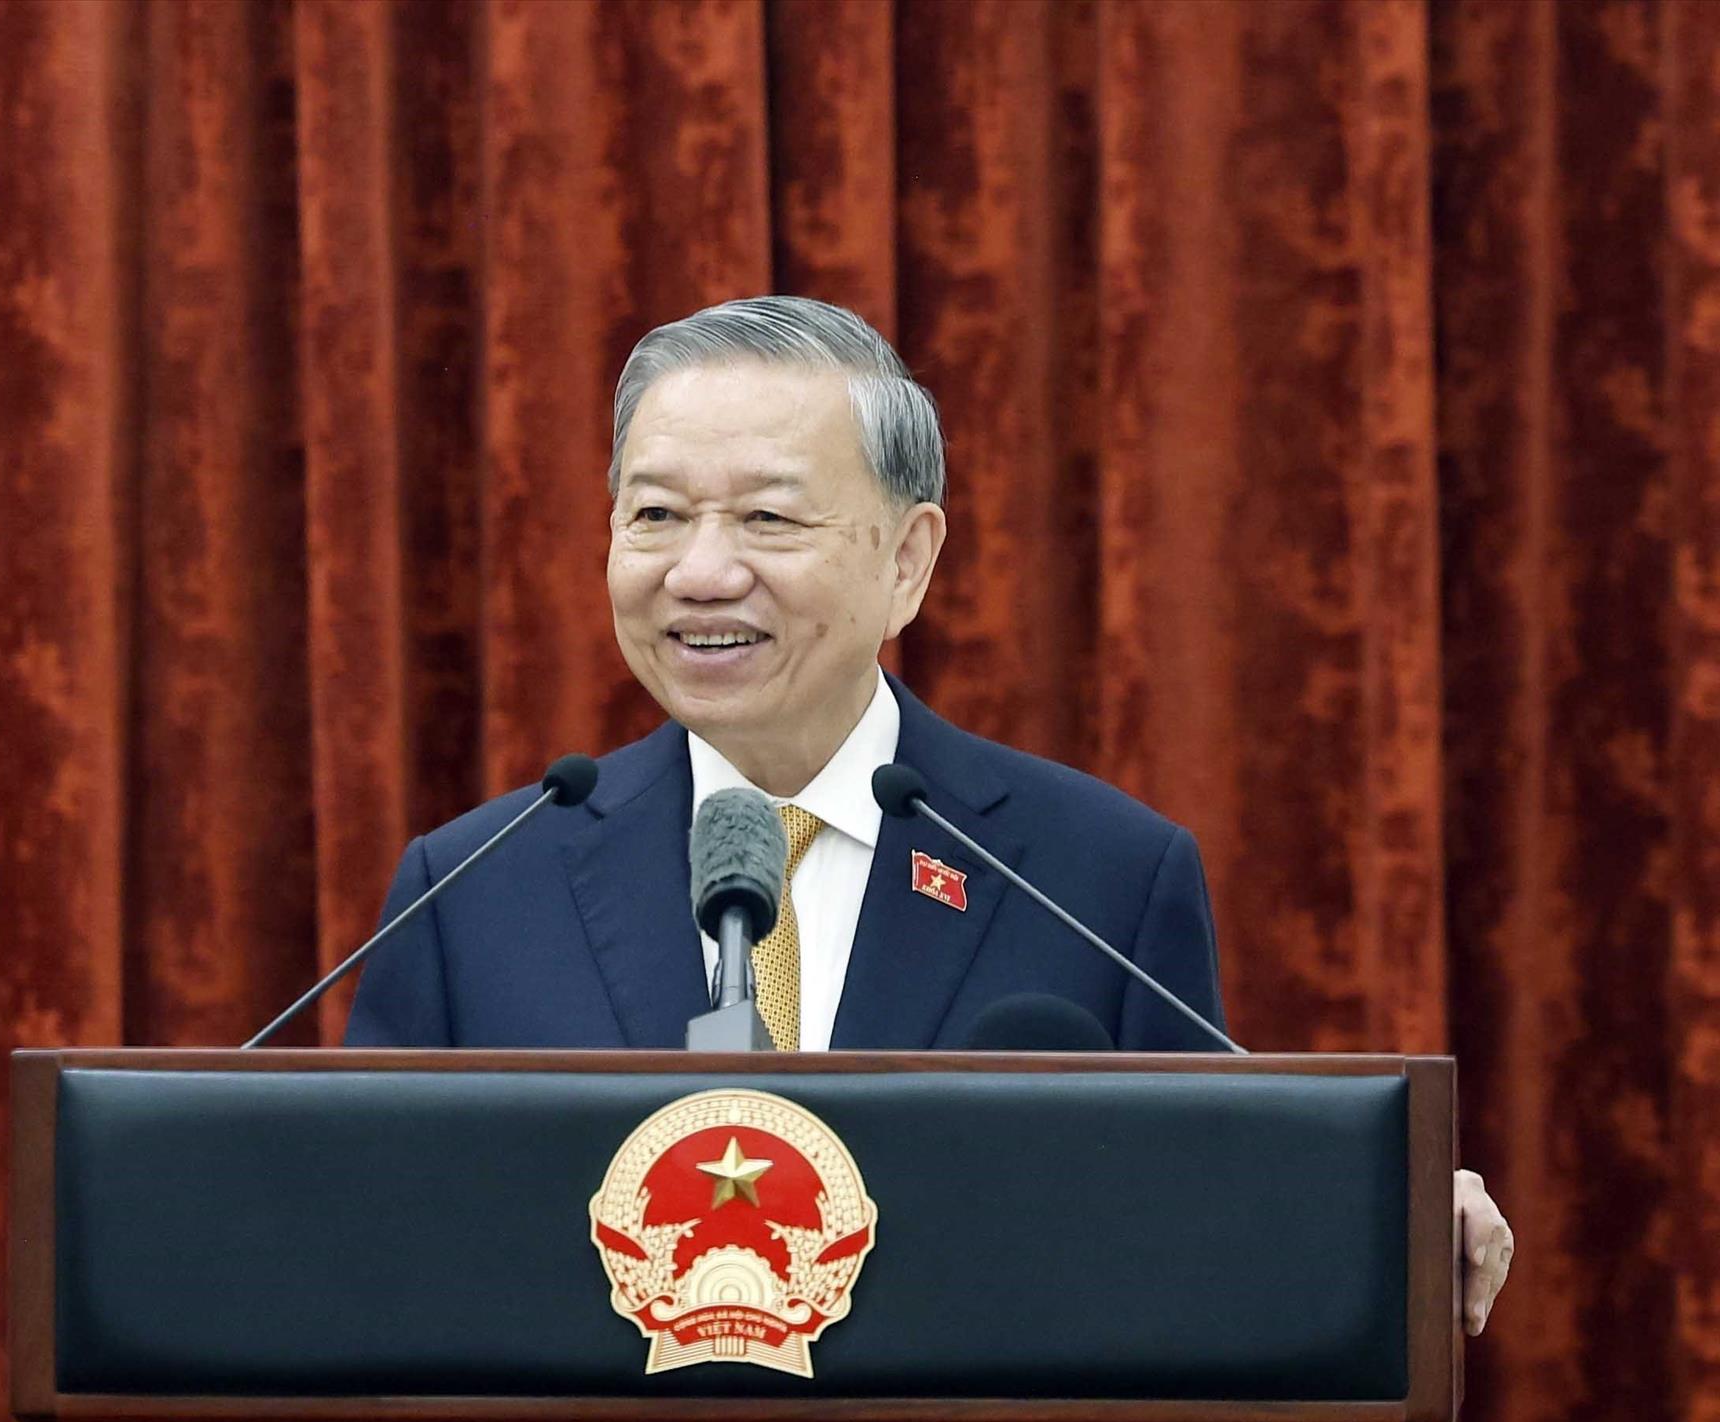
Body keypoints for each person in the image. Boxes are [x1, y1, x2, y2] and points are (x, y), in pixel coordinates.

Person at [344, 295, 1513, 1336]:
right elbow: (366, 1234)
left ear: (908, 560)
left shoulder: (1099, 875)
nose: (698, 572)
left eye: (768, 519)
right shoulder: (474, 888)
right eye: (655, 514)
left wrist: (1382, 1216)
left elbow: (1208, 1205)